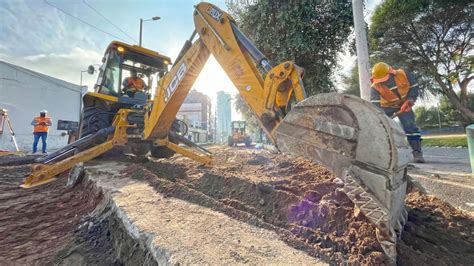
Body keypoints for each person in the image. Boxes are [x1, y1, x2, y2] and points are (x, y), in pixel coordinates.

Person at [370, 62, 425, 163]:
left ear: (390, 72)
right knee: (380, 126)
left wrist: (411, 100)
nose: (382, 82)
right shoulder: (375, 87)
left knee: (410, 126)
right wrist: (381, 117)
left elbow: (414, 87)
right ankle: (382, 155)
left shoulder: (403, 74)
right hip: (386, 107)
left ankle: (417, 153)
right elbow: (375, 107)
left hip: (404, 104)